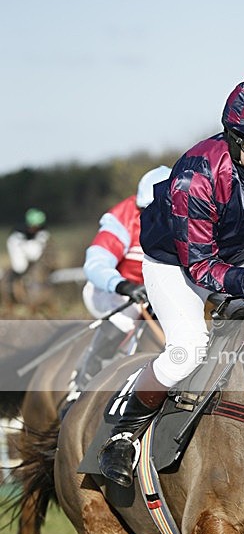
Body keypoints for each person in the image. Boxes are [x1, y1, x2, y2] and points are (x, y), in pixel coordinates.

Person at [98, 74, 244, 488]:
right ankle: (123, 435)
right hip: (175, 264)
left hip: (233, 256)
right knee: (188, 349)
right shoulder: (196, 174)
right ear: (235, 138)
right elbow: (201, 267)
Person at [68, 166, 171, 397]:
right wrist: (125, 286)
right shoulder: (122, 219)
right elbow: (95, 264)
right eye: (147, 210)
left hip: (155, 293)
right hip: (113, 292)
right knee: (126, 316)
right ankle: (83, 383)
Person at [5, 208, 50, 301]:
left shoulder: (42, 233)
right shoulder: (18, 234)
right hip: (18, 245)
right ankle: (13, 283)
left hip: (27, 246)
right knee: (20, 267)